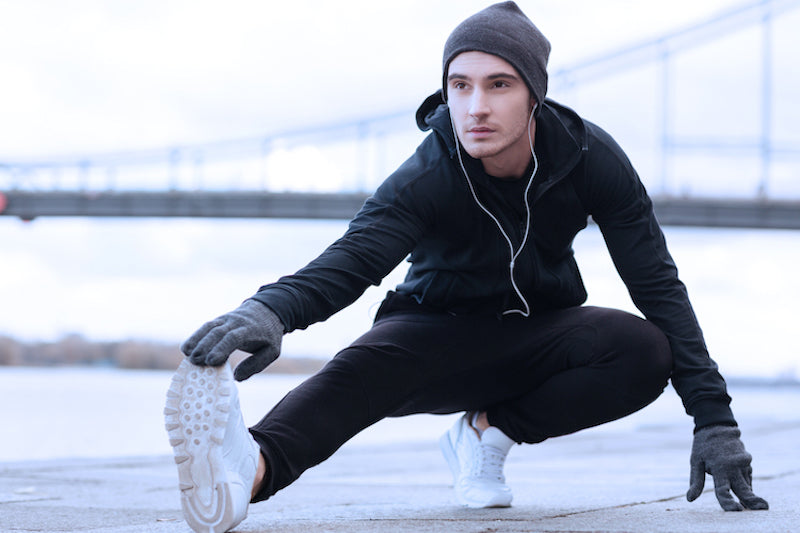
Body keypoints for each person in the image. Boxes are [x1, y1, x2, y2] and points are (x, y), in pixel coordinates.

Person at [164, 2, 769, 532]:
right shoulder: (430, 172)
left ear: (535, 93)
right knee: (364, 369)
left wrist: (714, 419)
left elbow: (658, 284)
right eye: (460, 85)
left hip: (537, 338)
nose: (475, 107)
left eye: (499, 85)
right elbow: (357, 255)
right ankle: (245, 471)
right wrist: (269, 310)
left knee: (641, 349)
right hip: (433, 335)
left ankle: (486, 432)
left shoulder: (591, 158)